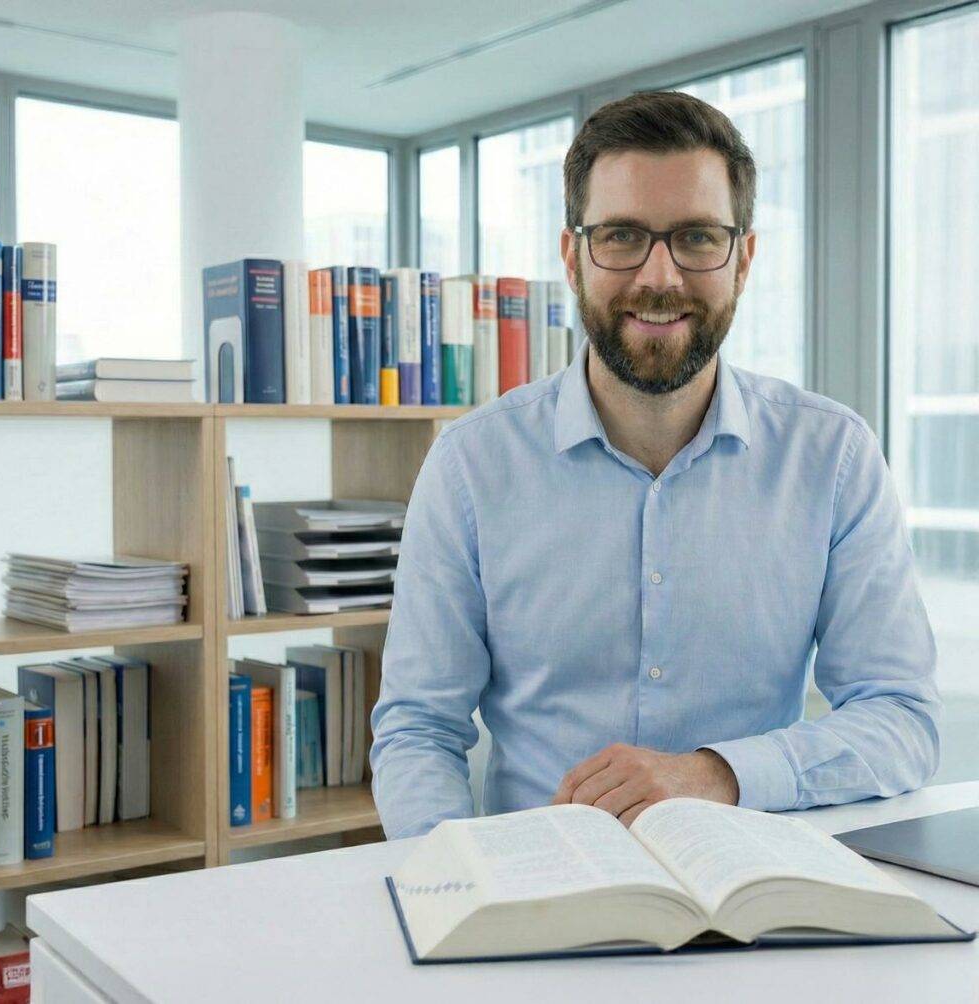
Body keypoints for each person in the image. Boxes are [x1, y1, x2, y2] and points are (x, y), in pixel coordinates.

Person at [369, 90, 940, 840]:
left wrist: (713, 774)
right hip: (542, 901)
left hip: (756, 891)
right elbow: (419, 730)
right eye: (623, 235)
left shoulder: (833, 457)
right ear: (573, 257)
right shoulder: (471, 467)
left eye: (698, 237)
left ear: (744, 260)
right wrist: (458, 883)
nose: (659, 277)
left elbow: (900, 718)